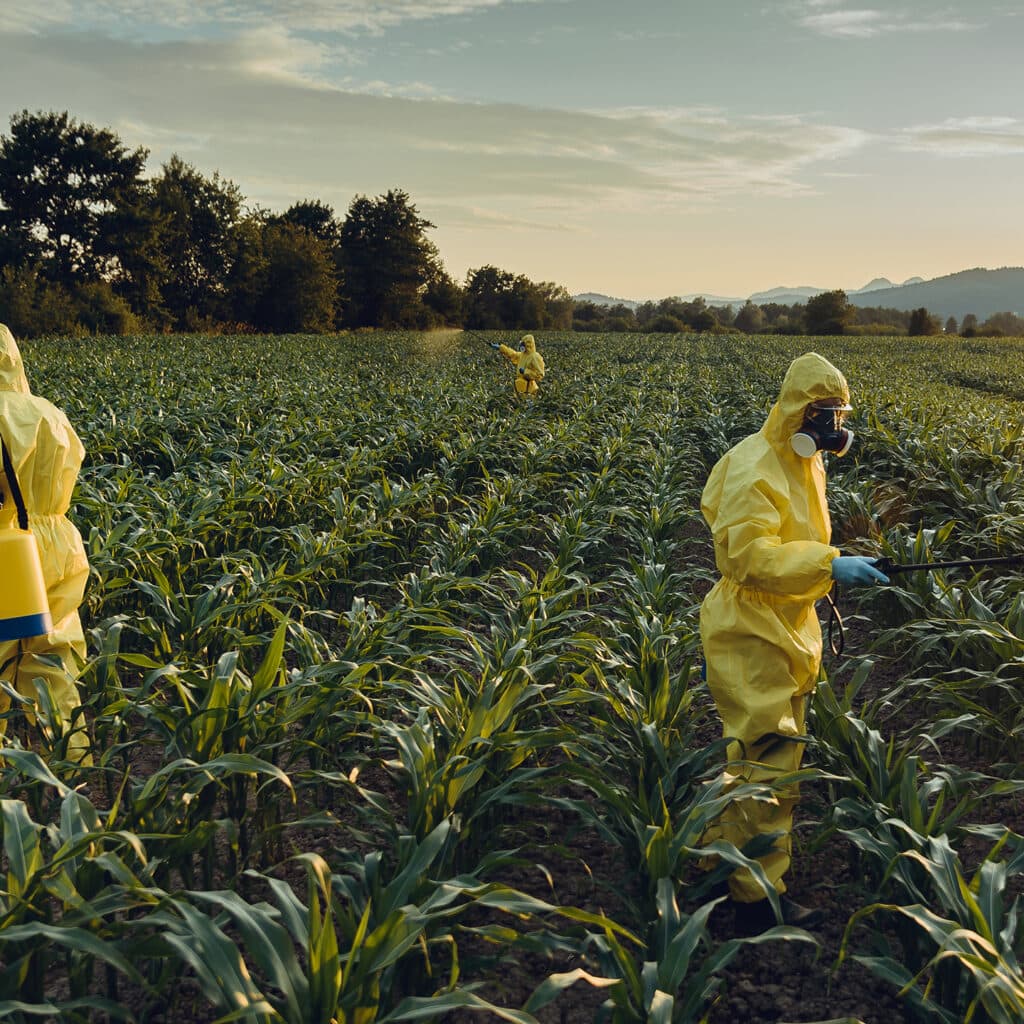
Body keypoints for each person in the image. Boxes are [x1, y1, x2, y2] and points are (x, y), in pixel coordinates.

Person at [699, 351, 888, 928]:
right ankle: (754, 898)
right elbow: (748, 555)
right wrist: (832, 564)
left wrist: (832, 566)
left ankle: (717, 857)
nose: (833, 425)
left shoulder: (806, 464)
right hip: (751, 628)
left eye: (839, 412)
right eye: (823, 412)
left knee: (763, 755)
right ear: (796, 411)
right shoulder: (754, 465)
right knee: (768, 764)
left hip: (790, 621)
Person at [0, 323, 90, 763]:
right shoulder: (49, 413)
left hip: (5, 546)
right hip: (57, 544)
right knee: (53, 660)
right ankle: (74, 766)